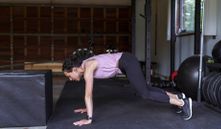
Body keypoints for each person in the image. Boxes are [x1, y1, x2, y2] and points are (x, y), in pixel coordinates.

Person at [62, 48, 193, 126]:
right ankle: (177, 96)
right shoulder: (86, 66)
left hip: (126, 61)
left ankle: (182, 103)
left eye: (69, 75)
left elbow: (88, 94)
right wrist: (87, 107)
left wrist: (89, 119)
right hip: (125, 62)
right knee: (145, 88)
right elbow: (89, 94)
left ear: (74, 69)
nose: (70, 79)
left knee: (145, 94)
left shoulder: (88, 67)